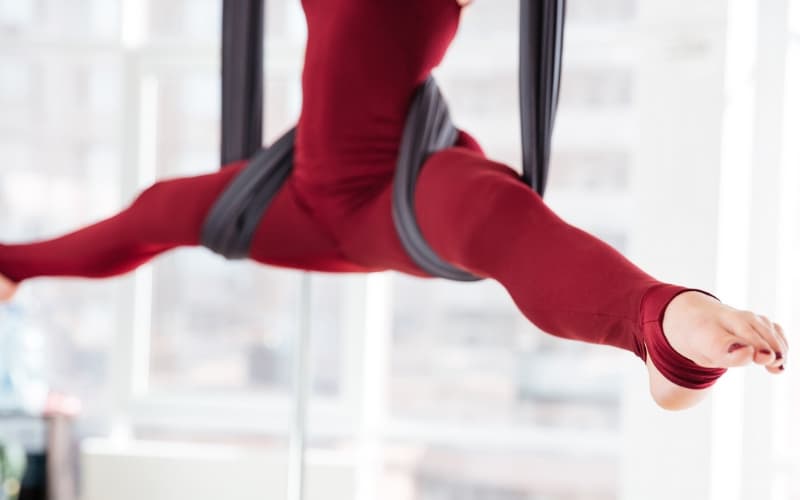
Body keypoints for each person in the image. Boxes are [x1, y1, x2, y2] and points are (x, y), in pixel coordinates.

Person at [0, 0, 788, 411]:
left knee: (497, 225)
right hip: (303, 194)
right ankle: (10, 268)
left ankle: (664, 325)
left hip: (401, 190)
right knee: (158, 212)